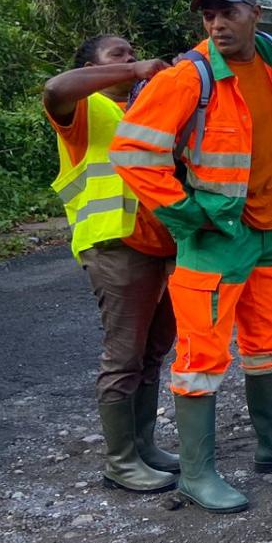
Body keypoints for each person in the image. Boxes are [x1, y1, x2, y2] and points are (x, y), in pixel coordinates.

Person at [110, 0, 272, 514]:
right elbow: (133, 152)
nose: (216, 23)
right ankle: (196, 473)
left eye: (227, 12)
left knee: (269, 339)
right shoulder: (189, 77)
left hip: (270, 229)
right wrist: (185, 214)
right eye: (208, 15)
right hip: (215, 237)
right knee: (200, 355)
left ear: (254, 13)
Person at [44, 36, 179, 494]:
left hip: (159, 247)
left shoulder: (140, 114)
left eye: (132, 52)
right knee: (124, 354)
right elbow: (56, 88)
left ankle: (143, 445)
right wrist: (136, 69)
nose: (129, 57)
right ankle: (120, 461)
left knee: (153, 350)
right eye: (116, 54)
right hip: (115, 246)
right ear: (92, 67)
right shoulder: (84, 111)